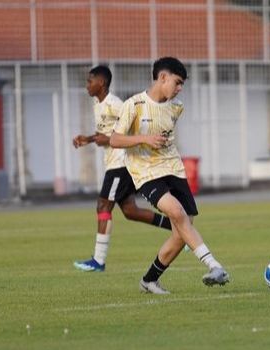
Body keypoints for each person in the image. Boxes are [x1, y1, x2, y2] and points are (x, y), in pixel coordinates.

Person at [110, 57, 230, 294]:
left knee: (181, 233)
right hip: (145, 173)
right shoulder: (133, 105)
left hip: (174, 169)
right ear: (162, 77)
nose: (179, 88)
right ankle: (214, 265)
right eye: (177, 82)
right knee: (176, 212)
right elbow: (114, 139)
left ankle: (149, 280)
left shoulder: (177, 108)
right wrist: (144, 139)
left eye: (182, 84)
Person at [72, 65, 173, 272]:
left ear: (102, 83)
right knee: (130, 211)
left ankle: (98, 261)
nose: (87, 86)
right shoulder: (97, 104)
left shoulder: (116, 104)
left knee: (103, 206)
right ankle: (177, 227)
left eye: (90, 81)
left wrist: (112, 139)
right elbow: (107, 133)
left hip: (120, 163)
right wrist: (89, 139)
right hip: (113, 163)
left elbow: (133, 126)